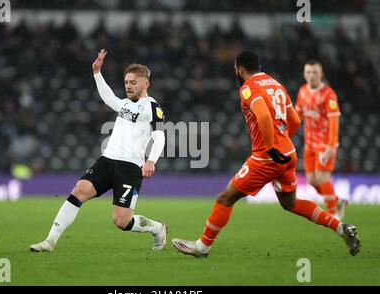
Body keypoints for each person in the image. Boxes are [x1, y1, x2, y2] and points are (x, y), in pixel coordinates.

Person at [172, 50, 361, 258]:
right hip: (288, 153)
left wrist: (271, 147)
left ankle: (203, 246)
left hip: (266, 158)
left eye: (236, 68)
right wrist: (281, 141)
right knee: (291, 203)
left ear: (240, 69)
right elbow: (296, 120)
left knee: (225, 198)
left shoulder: (248, 88)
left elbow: (262, 114)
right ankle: (341, 227)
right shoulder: (275, 84)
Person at [30, 49, 168, 252]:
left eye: (133, 82)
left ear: (146, 84)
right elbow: (109, 98)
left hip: (130, 168)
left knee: (121, 221)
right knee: (79, 190)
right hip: (107, 161)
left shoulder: (153, 108)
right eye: (127, 82)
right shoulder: (125, 104)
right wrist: (97, 73)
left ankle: (157, 228)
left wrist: (151, 161)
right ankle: (50, 241)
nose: (129, 86)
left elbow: (160, 136)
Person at [296, 60, 347, 220]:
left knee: (322, 177)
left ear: (321, 74)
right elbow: (297, 116)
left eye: (315, 72)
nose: (312, 75)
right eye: (309, 72)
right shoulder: (302, 91)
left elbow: (334, 120)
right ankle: (338, 201)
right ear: (304, 74)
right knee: (311, 180)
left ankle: (333, 214)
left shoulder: (328, 94)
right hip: (309, 143)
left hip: (325, 144)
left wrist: (332, 145)